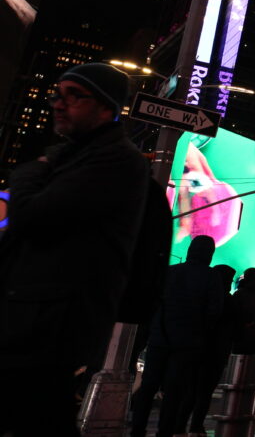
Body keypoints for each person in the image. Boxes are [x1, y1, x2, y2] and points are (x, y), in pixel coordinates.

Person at [0, 63, 160, 436]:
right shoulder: (74, 155)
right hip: (31, 314)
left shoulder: (115, 160)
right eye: (59, 94)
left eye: (75, 96)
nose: (59, 103)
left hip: (51, 323)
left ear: (106, 107)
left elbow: (33, 217)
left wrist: (26, 175)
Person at [130, 235, 225, 437]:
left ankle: (137, 429)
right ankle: (164, 431)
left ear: (190, 250)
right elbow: (214, 312)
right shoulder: (211, 277)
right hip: (188, 343)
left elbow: (153, 303)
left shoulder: (170, 272)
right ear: (210, 254)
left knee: (148, 387)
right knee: (174, 391)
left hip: (160, 338)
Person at [186, 264, 238, 435]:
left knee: (190, 389)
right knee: (204, 392)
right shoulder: (230, 301)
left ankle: (180, 423)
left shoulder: (200, 296)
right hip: (216, 354)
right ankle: (196, 425)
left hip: (195, 348)